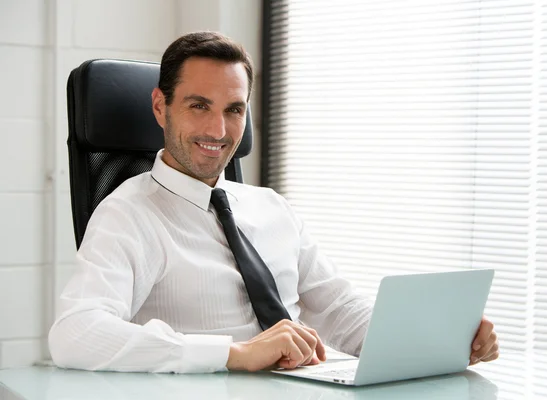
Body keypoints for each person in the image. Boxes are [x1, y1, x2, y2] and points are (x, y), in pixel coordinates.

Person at [48, 31, 499, 374]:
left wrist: (441, 340)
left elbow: (339, 310)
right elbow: (75, 334)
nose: (219, 132)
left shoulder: (272, 209)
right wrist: (233, 354)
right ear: (160, 107)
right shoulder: (128, 214)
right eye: (198, 106)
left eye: (234, 109)